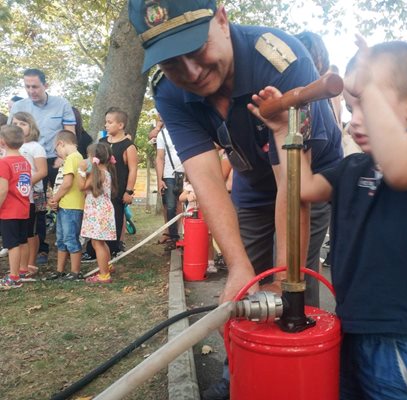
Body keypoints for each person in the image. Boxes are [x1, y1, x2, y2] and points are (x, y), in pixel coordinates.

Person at [249, 40, 407, 399]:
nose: (355, 119)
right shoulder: (352, 168)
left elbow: (400, 172)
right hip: (352, 325)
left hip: (401, 335)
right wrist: (282, 131)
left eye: (369, 104)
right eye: (352, 107)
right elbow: (303, 187)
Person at [129, 0, 342, 308]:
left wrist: (283, 282)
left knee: (294, 293)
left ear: (222, 19)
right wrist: (238, 267)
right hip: (251, 183)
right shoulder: (167, 91)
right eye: (172, 62)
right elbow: (207, 182)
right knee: (245, 288)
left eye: (196, 48)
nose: (192, 72)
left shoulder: (280, 60)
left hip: (309, 178)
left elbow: (293, 186)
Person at [8, 68, 76, 266]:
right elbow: (10, 135)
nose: (31, 90)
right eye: (27, 86)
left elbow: (70, 132)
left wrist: (66, 157)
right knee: (33, 207)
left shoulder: (61, 103)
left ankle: (71, 243)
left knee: (65, 201)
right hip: (27, 162)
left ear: (45, 85)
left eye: (35, 86)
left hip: (56, 160)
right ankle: (39, 250)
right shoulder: (19, 106)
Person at [82, 108, 137, 261]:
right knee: (96, 220)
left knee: (116, 218)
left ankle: (112, 249)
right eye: (106, 122)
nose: (106, 125)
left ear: (120, 125)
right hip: (100, 189)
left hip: (117, 190)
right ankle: (92, 250)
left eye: (110, 122)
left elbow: (133, 169)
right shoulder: (102, 143)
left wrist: (129, 191)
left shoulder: (128, 146)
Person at [12, 112, 48, 277]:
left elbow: (42, 171)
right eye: (15, 123)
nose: (18, 127)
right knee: (18, 231)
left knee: (30, 231)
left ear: (31, 126)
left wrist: (23, 185)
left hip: (32, 195)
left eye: (22, 124)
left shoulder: (35, 147)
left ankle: (30, 264)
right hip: (13, 196)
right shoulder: (10, 148)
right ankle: (19, 264)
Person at [46, 130, 85, 281]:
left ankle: (75, 272)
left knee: (70, 238)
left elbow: (67, 183)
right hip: (64, 205)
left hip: (72, 206)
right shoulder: (71, 158)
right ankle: (59, 270)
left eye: (57, 151)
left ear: (61, 144)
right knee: (61, 239)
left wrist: (55, 198)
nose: (58, 154)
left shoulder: (73, 158)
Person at [78, 143, 118, 284]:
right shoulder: (106, 172)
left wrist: (81, 171)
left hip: (97, 211)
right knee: (100, 241)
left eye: (88, 156)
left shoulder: (99, 174)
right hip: (103, 210)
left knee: (97, 243)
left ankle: (104, 275)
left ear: (93, 158)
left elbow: (81, 187)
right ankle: (107, 266)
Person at [0, 125, 32, 289]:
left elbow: (3, 189)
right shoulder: (24, 161)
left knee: (11, 244)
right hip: (23, 208)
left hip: (9, 210)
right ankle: (23, 270)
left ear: (2, 142)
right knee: (22, 241)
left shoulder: (4, 163)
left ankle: (14, 277)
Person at [155, 121, 184, 250]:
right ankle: (173, 237)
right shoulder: (163, 134)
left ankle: (186, 235)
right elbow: (160, 157)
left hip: (188, 172)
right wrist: (159, 179)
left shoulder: (186, 129)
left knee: (188, 205)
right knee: (171, 206)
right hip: (169, 174)